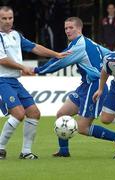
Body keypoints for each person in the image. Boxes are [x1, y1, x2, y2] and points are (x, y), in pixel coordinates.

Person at [34, 17, 115, 157]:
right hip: (85, 86)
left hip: (95, 86)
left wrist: (37, 70)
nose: (68, 31)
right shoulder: (88, 42)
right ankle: (64, 151)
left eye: (71, 28)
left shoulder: (79, 46)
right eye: (66, 28)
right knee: (62, 114)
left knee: (82, 128)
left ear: (79, 28)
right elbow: (110, 55)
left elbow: (59, 62)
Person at [0, 6, 69, 160]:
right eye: (4, 18)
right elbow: (2, 60)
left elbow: (35, 47)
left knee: (34, 113)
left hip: (15, 81)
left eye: (10, 18)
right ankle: (0, 148)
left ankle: (26, 152)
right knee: (18, 114)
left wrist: (56, 54)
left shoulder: (16, 35)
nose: (8, 21)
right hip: (2, 80)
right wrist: (23, 67)